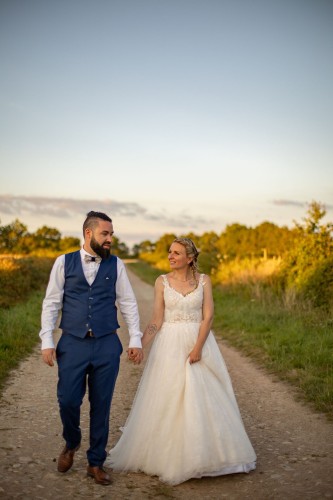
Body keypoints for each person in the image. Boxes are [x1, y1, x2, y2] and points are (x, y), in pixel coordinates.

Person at [106, 237, 256, 485]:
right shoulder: (161, 282)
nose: (171, 256)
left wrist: (197, 348)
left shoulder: (204, 281)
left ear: (190, 258)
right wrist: (138, 344)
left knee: (204, 395)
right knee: (169, 396)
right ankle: (169, 454)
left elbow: (208, 317)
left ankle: (212, 455)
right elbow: (157, 319)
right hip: (169, 344)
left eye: (176, 253)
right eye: (169, 252)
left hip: (199, 341)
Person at [40, 211, 143, 486]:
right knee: (68, 400)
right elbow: (51, 303)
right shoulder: (63, 263)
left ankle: (95, 462)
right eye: (105, 234)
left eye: (111, 234)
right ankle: (71, 441)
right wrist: (47, 341)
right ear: (89, 233)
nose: (110, 239)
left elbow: (129, 303)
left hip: (107, 343)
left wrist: (135, 339)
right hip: (72, 343)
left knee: (102, 405)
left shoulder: (117, 265)